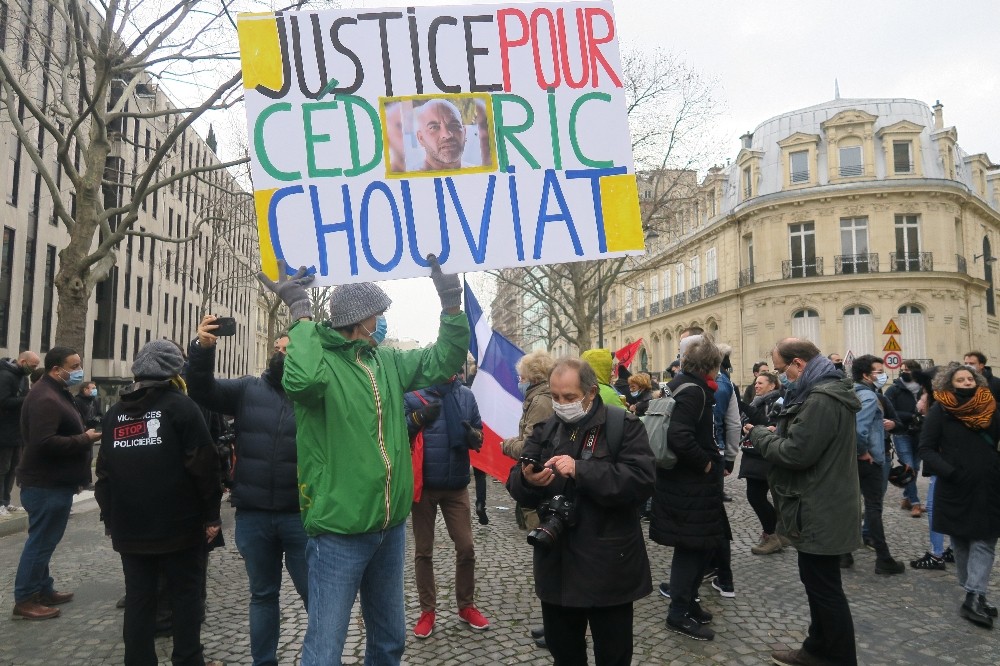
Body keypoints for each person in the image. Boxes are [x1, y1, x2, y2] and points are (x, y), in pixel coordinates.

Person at [258, 256, 468, 666]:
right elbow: (300, 382)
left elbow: (443, 360)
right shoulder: (319, 362)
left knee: (390, 640)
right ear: (360, 320)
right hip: (339, 529)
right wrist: (300, 313)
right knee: (325, 649)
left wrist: (450, 305)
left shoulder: (385, 361)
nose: (382, 323)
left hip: (389, 526)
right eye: (378, 316)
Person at [506, 357, 654, 665]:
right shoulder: (546, 430)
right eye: (556, 396)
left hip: (608, 567)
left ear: (590, 392)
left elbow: (641, 482)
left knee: (613, 656)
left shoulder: (622, 425)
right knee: (565, 655)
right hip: (557, 565)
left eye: (569, 397)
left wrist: (581, 470)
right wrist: (528, 479)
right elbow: (516, 482)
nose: (561, 404)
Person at [186, 320, 308, 666]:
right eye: (278, 349)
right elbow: (201, 390)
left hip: (301, 515)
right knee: (263, 595)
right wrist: (203, 350)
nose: (281, 355)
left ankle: (319, 657)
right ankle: (263, 662)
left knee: (315, 596)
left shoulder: (314, 395)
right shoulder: (247, 389)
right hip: (253, 515)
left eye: (290, 350)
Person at [95, 340, 223, 665]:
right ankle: (188, 658)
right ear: (174, 371)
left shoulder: (114, 414)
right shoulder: (181, 407)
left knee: (140, 599)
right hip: (180, 526)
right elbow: (204, 465)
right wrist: (211, 516)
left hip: (130, 528)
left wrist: (111, 519)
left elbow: (104, 474)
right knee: (186, 596)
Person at [745, 338, 861, 666]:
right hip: (817, 501)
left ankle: (836, 658)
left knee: (825, 588)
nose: (782, 378)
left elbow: (797, 453)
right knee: (817, 583)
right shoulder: (818, 393)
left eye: (783, 371)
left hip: (820, 505)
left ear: (799, 364)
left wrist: (760, 435)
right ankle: (816, 648)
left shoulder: (822, 398)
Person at [12, 346, 101, 621]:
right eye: (74, 366)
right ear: (55, 369)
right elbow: (44, 443)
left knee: (45, 541)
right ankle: (25, 598)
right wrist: (84, 439)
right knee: (41, 542)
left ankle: (42, 588)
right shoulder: (45, 398)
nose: (78, 371)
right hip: (45, 485)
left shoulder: (55, 392)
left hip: (53, 483)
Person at [649, 335, 727, 641]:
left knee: (698, 545)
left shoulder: (678, 383)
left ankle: (690, 603)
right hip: (690, 483)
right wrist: (705, 464)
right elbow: (680, 436)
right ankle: (678, 613)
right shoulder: (694, 391)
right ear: (710, 365)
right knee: (691, 548)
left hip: (680, 481)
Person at [405, 375, 489, 638]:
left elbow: (479, 434)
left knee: (466, 547)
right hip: (424, 485)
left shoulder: (465, 395)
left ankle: (466, 606)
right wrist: (419, 418)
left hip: (456, 485)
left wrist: (472, 435)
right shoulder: (412, 394)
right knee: (424, 551)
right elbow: (398, 430)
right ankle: (427, 611)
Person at [918, 362, 1000, 629]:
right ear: (949, 383)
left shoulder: (990, 406)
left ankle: (974, 596)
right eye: (961, 380)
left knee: (985, 540)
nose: (966, 383)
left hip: (988, 484)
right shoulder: (940, 410)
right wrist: (951, 473)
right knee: (962, 542)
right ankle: (974, 594)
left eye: (970, 379)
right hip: (955, 486)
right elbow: (927, 449)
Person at [500, 349, 555, 650]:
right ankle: (552, 623)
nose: (518, 382)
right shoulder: (536, 397)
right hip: (538, 486)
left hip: (542, 487)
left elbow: (531, 447)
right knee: (544, 560)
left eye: (521, 377)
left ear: (532, 377)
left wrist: (505, 444)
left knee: (548, 560)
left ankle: (556, 627)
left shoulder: (541, 401)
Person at [849, 355, 905, 575]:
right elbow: (859, 430)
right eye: (878, 371)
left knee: (851, 506)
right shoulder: (869, 397)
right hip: (869, 460)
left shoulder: (849, 392)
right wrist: (863, 452)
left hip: (851, 460)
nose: (883, 375)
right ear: (866, 375)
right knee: (874, 507)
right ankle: (884, 558)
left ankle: (845, 554)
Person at [739, 371, 784, 555]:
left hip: (764, 457)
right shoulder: (755, 402)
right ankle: (776, 532)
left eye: (760, 383)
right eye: (755, 383)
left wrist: (757, 429)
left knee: (756, 496)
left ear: (772, 385)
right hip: (752, 454)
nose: (756, 386)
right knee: (755, 496)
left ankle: (772, 535)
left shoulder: (777, 403)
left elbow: (774, 427)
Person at [0, 351, 39, 516]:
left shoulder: (23, 377)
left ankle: (6, 501)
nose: (34, 369)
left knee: (13, 468)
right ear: (23, 361)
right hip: (4, 431)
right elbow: (3, 401)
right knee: (3, 468)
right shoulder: (5, 376)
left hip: (17, 431)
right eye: (33, 366)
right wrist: (28, 398)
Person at [884, 359, 924, 517]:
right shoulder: (894, 390)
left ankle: (906, 498)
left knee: (916, 467)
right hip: (902, 433)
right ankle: (915, 503)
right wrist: (911, 416)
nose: (904, 372)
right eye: (902, 369)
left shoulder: (924, 389)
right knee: (909, 467)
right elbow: (889, 411)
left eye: (907, 370)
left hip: (921, 434)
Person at [416, 99, 471, 171]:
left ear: (464, 132)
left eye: (454, 125)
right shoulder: (410, 179)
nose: (447, 135)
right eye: (434, 127)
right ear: (421, 138)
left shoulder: (479, 175)